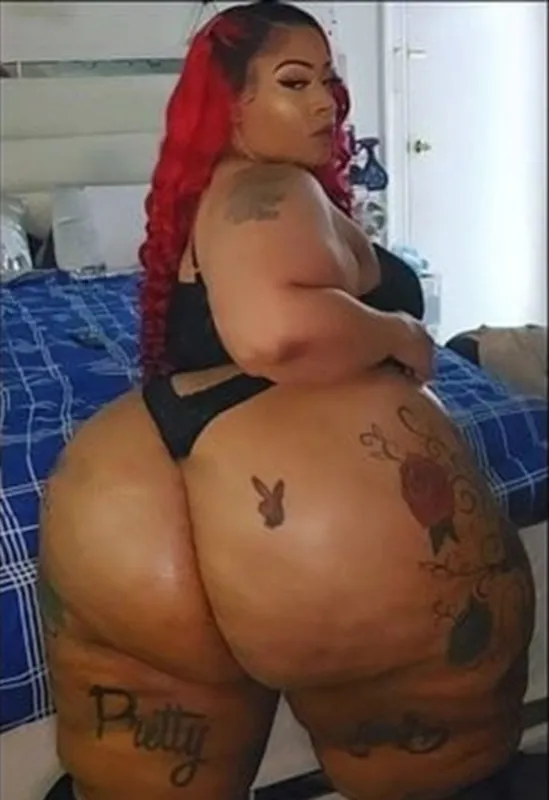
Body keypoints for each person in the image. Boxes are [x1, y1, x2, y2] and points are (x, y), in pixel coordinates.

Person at [40, 3, 544, 800]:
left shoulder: (211, 199)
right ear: (230, 105)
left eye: (327, 81)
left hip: (123, 492)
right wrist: (396, 330)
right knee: (455, 779)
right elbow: (271, 333)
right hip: (315, 510)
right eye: (293, 82)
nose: (324, 102)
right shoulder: (273, 188)